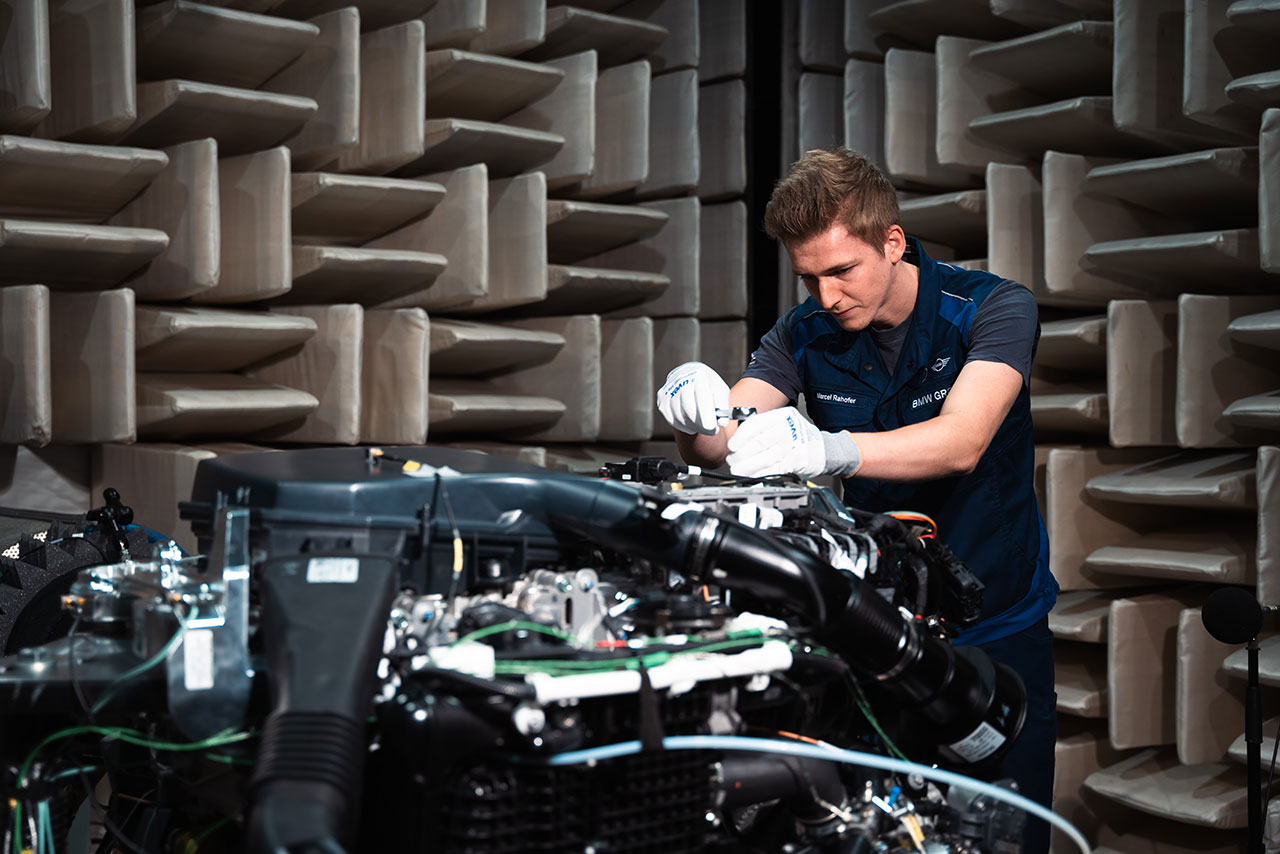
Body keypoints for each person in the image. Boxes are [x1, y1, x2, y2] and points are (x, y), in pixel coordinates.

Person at [656, 147, 1058, 854]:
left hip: (998, 627)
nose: (828, 296)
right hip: (881, 628)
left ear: (892, 242)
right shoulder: (803, 332)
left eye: (843, 271)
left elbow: (963, 439)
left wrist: (830, 449)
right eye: (809, 277)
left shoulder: (991, 307)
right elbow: (724, 441)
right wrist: (695, 419)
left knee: (999, 835)